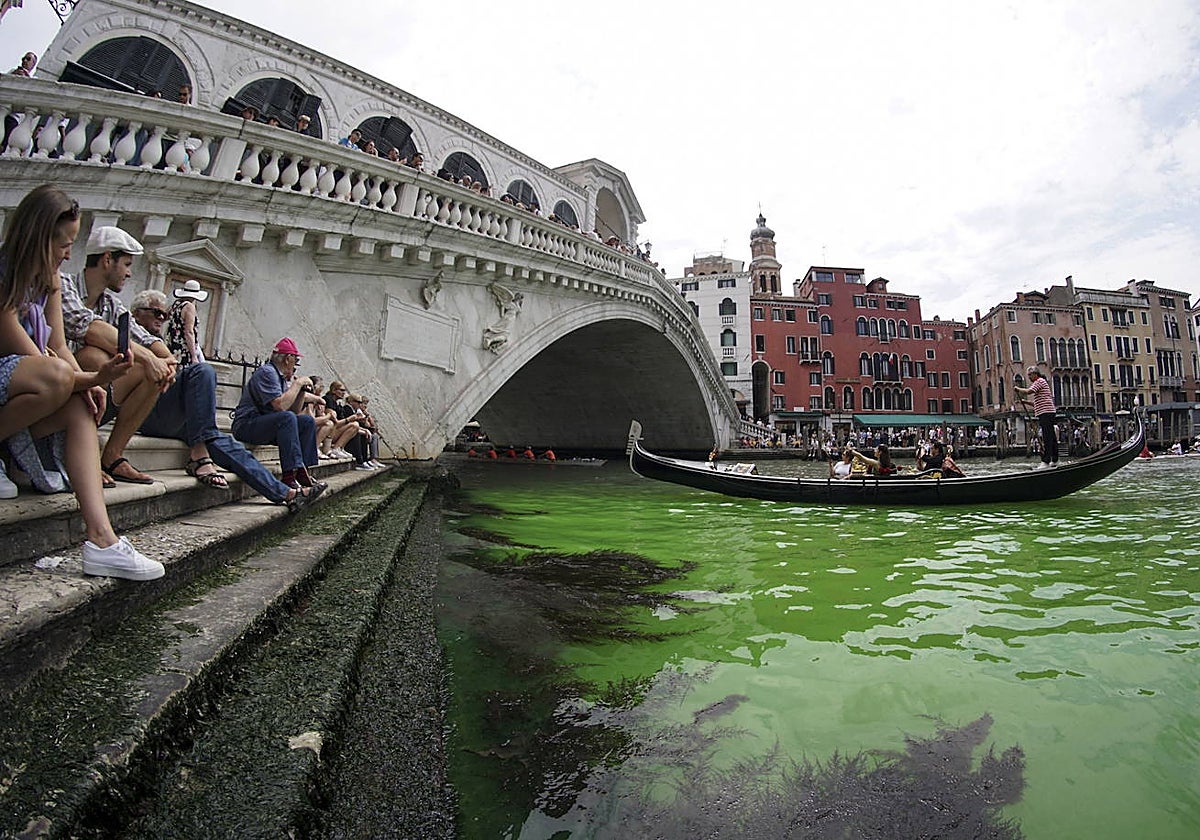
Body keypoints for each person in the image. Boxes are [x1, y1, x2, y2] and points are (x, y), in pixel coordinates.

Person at [0, 185, 163, 580]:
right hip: (17, 376)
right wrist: (85, 376)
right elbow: (29, 351)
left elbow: (57, 343)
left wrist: (91, 383)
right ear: (38, 236)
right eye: (63, 243)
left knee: (80, 404)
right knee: (61, 377)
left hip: (35, 382)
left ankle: (102, 539)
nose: (68, 254)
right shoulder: (5, 270)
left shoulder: (51, 279)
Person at [131, 291, 323, 510]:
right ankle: (201, 456)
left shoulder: (157, 342)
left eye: (165, 314)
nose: (162, 318)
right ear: (137, 314)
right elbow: (279, 406)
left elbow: (170, 364)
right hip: (143, 412)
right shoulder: (128, 332)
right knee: (202, 372)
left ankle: (286, 493)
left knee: (223, 441)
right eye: (156, 312)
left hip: (172, 412)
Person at [61, 226, 176, 486]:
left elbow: (146, 339)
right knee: (93, 356)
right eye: (126, 264)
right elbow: (87, 327)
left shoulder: (111, 304)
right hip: (59, 387)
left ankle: (112, 456)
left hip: (95, 391)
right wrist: (148, 358)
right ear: (107, 259)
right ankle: (83, 457)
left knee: (152, 372)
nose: (129, 272)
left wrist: (166, 360)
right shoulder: (63, 284)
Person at [232, 337, 322, 489]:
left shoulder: (279, 377)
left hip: (266, 423)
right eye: (296, 361)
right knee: (286, 418)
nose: (295, 366)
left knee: (306, 422)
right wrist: (298, 383)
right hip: (247, 424)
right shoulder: (268, 372)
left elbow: (292, 411)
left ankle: (303, 470)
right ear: (288, 359)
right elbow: (280, 406)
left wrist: (300, 393)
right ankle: (289, 476)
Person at [1015, 365, 1058, 469]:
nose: (1029, 377)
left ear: (1035, 374)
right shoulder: (1040, 384)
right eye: (1028, 375)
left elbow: (1029, 391)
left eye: (1030, 375)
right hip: (1047, 412)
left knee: (1047, 437)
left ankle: (1046, 461)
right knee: (1051, 436)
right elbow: (1036, 403)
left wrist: (1018, 389)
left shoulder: (1040, 381)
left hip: (1046, 412)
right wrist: (1025, 402)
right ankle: (1054, 459)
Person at [164, 278, 207, 366]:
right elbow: (189, 332)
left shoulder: (176, 305)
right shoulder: (189, 307)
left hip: (172, 345)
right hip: (184, 349)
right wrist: (193, 355)